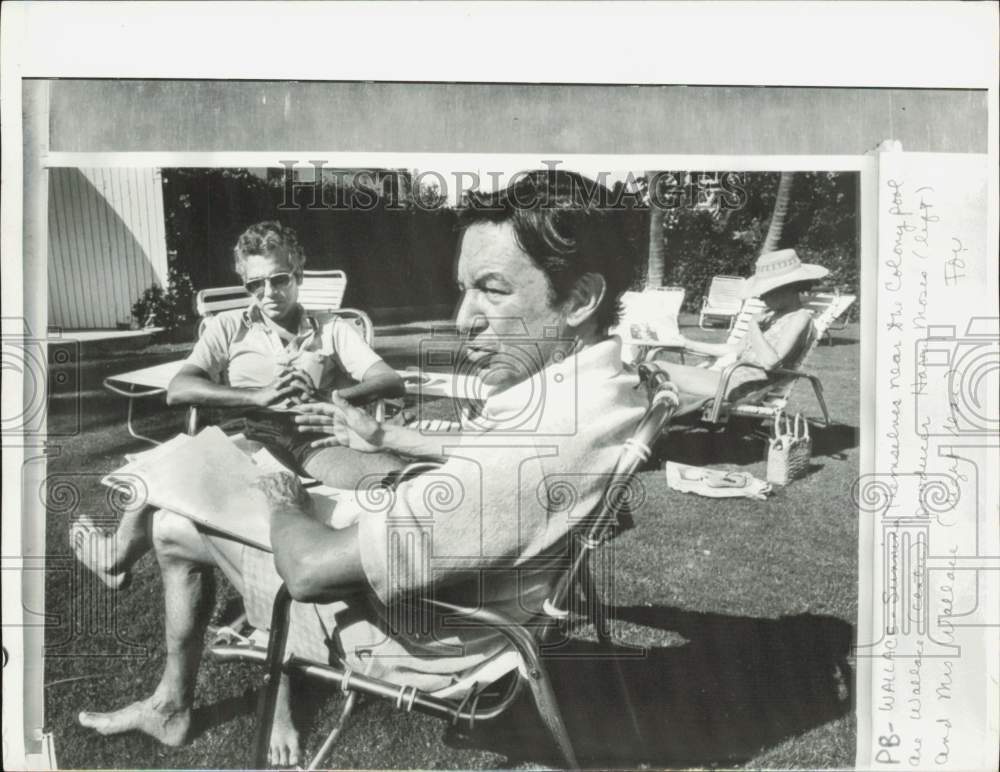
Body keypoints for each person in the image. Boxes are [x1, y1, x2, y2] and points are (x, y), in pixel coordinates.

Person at [77, 170, 649, 766]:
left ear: (580, 299)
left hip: (417, 640)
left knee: (172, 526)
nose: (462, 319)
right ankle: (170, 700)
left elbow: (308, 573)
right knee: (186, 511)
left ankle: (176, 702)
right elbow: (495, 460)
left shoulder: (534, 449)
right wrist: (389, 434)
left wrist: (284, 501)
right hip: (463, 590)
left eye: (492, 290)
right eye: (465, 290)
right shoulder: (598, 396)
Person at [71, 221, 406, 590]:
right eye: (255, 284)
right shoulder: (228, 326)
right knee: (159, 465)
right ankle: (114, 557)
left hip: (312, 437)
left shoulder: (332, 328)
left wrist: (329, 398)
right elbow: (179, 389)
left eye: (279, 279)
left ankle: (398, 570)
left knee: (396, 478)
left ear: (297, 274)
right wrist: (257, 396)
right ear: (245, 283)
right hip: (250, 440)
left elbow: (389, 380)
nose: (268, 292)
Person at [647, 249, 828, 403]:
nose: (761, 298)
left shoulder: (799, 317)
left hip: (746, 388)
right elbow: (734, 349)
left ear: (788, 288)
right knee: (654, 366)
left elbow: (771, 362)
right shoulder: (771, 316)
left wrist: (753, 326)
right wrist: (687, 343)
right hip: (730, 378)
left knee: (656, 372)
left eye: (765, 292)